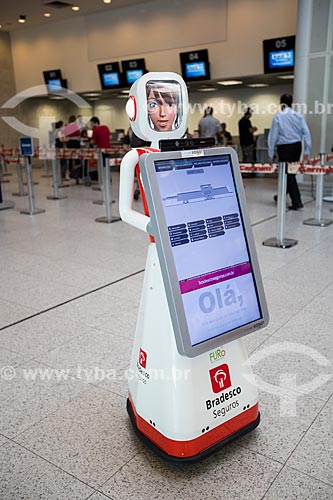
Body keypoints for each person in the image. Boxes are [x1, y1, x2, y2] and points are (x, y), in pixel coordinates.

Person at [268, 94, 311, 210]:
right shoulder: (298, 116)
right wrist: (307, 149)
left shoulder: (278, 116)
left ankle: (297, 202)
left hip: (284, 147)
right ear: (291, 102)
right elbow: (306, 132)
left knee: (288, 174)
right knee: (290, 172)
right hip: (297, 146)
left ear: (281, 103)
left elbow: (273, 136)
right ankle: (280, 195)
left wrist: (271, 153)